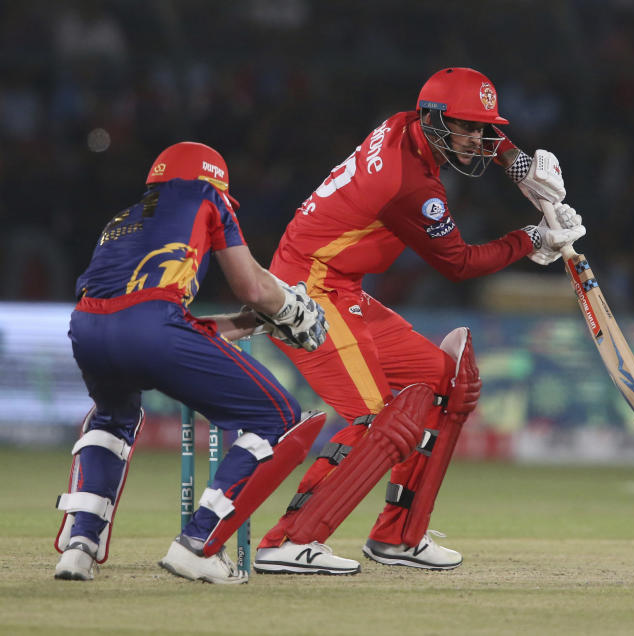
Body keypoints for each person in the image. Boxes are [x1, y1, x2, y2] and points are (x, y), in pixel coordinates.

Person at [252, 67, 586, 574]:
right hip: (309, 291)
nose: (477, 139)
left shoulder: (405, 123)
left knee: (445, 381)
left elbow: (475, 132)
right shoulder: (410, 186)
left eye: (483, 128)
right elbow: (460, 265)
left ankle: (399, 536)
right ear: (434, 122)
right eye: (466, 128)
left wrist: (519, 165)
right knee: (375, 420)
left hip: (339, 286)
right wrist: (534, 239)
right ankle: (288, 540)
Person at [53, 141, 359, 584]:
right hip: (153, 327)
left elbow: (156, 316)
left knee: (113, 419)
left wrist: (250, 324)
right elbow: (251, 287)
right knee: (279, 418)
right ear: (213, 181)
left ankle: (79, 546)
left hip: (88, 329)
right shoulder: (207, 197)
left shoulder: (121, 221)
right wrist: (290, 308)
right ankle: (197, 545)